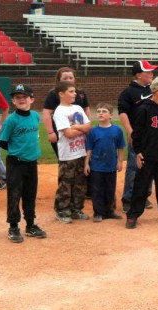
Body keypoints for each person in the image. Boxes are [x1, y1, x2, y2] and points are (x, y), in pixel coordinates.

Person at [125, 77, 158, 229]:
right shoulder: (144, 109)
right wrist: (138, 152)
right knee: (140, 187)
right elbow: (137, 134)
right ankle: (133, 214)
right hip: (147, 156)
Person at [0, 84, 47, 243]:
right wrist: (18, 151)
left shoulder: (35, 116)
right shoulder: (11, 120)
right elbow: (2, 142)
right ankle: (13, 226)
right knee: (14, 195)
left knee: (30, 194)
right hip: (16, 163)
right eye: (17, 97)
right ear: (13, 101)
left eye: (24, 97)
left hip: (32, 162)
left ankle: (31, 225)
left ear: (32, 99)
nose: (21, 100)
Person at [118, 60, 158, 213]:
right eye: (148, 72)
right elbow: (123, 113)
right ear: (139, 75)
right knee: (134, 167)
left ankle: (143, 195)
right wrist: (130, 132)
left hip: (153, 134)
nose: (151, 74)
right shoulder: (128, 92)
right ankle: (128, 199)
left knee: (150, 166)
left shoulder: (153, 89)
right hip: (139, 135)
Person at [53, 81, 91, 224]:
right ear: (61, 94)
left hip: (81, 152)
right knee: (66, 183)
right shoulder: (59, 111)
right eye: (71, 91)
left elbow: (89, 127)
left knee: (80, 183)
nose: (75, 94)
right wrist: (80, 128)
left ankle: (76, 209)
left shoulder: (78, 108)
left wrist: (77, 127)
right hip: (67, 154)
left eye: (74, 91)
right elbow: (68, 133)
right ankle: (62, 210)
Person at [84, 103, 126, 222]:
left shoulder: (117, 130)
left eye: (104, 111)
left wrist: (120, 161)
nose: (100, 113)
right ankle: (98, 212)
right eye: (98, 111)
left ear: (111, 115)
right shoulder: (94, 131)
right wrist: (87, 163)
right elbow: (89, 149)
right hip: (97, 166)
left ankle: (109, 211)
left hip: (111, 165)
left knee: (110, 189)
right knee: (97, 190)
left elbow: (121, 147)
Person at [43, 67, 91, 156]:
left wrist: (87, 125)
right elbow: (47, 113)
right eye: (65, 78)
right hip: (62, 130)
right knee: (64, 156)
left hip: (80, 129)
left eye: (70, 78)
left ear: (75, 79)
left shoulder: (80, 93)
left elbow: (86, 109)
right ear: (59, 80)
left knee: (83, 155)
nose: (68, 80)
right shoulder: (54, 94)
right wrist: (50, 132)